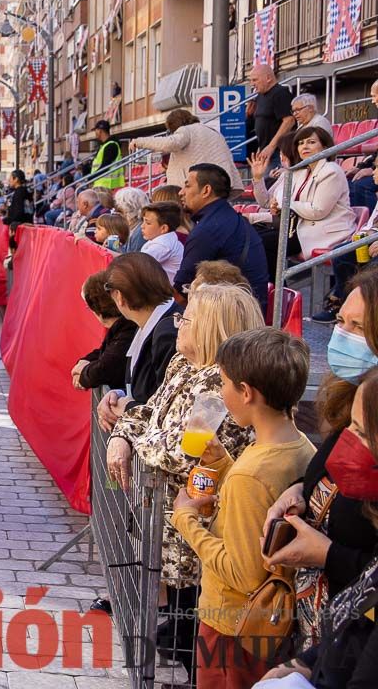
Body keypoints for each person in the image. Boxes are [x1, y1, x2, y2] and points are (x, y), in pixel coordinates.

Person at [107, 283, 264, 683]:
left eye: (187, 318)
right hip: (172, 527)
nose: (178, 323)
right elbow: (149, 413)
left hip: (202, 537)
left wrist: (132, 437)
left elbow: (180, 449)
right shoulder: (182, 364)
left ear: (212, 328)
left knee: (200, 640)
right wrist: (122, 434)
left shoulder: (217, 384)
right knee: (183, 625)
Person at [171, 327, 316, 684]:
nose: (220, 393)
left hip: (232, 626)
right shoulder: (301, 448)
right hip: (266, 625)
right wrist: (224, 464)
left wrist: (186, 519)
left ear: (247, 392)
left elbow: (243, 573)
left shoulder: (249, 476)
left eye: (224, 384)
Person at [262, 271, 378, 656]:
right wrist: (299, 491)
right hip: (318, 634)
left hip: (358, 645)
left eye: (358, 326)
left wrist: (327, 555)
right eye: (341, 321)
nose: (342, 335)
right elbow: (328, 470)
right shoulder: (352, 398)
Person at [250, 126, 354, 277]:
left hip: (322, 231)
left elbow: (318, 210)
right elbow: (271, 202)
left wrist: (284, 205)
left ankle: (276, 294)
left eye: (311, 142)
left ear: (325, 146)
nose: (304, 146)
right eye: (301, 143)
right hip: (298, 229)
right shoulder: (300, 171)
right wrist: (263, 186)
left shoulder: (332, 171)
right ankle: (275, 291)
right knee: (252, 236)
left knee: (261, 244)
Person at [96, 253, 181, 425]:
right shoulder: (154, 320)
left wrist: (128, 407)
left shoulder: (167, 333)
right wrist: (118, 395)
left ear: (119, 296)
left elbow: (167, 408)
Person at [174, 164, 270, 312]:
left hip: (234, 319)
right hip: (249, 311)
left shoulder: (208, 229)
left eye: (187, 186)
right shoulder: (229, 218)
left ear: (206, 190)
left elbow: (181, 295)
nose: (181, 192)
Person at [129, 109, 243, 191]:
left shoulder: (186, 130)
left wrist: (139, 142)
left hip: (199, 187)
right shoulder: (213, 132)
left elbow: (170, 143)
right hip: (221, 183)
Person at [72, 270, 137, 392]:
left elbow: (106, 367)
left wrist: (83, 374)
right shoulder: (121, 327)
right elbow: (105, 351)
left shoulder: (128, 328)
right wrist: (85, 361)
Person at [249, 64, 296, 175]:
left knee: (271, 186)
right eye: (251, 80)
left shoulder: (280, 93)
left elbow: (289, 121)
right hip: (265, 151)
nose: (252, 84)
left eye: (255, 80)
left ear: (268, 78)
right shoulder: (260, 96)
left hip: (278, 152)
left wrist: (271, 146)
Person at [141, 201, 186, 282]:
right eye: (143, 221)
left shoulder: (163, 245)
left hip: (169, 292)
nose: (142, 226)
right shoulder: (167, 238)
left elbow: (136, 264)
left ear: (163, 228)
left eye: (148, 223)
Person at [91, 119, 125, 191]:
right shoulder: (104, 146)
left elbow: (105, 166)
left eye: (96, 130)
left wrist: (91, 178)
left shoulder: (111, 146)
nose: (95, 133)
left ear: (100, 131)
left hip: (106, 185)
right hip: (102, 184)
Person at [115, 186, 149, 253]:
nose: (118, 213)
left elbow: (132, 258)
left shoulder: (141, 230)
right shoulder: (135, 227)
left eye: (120, 210)